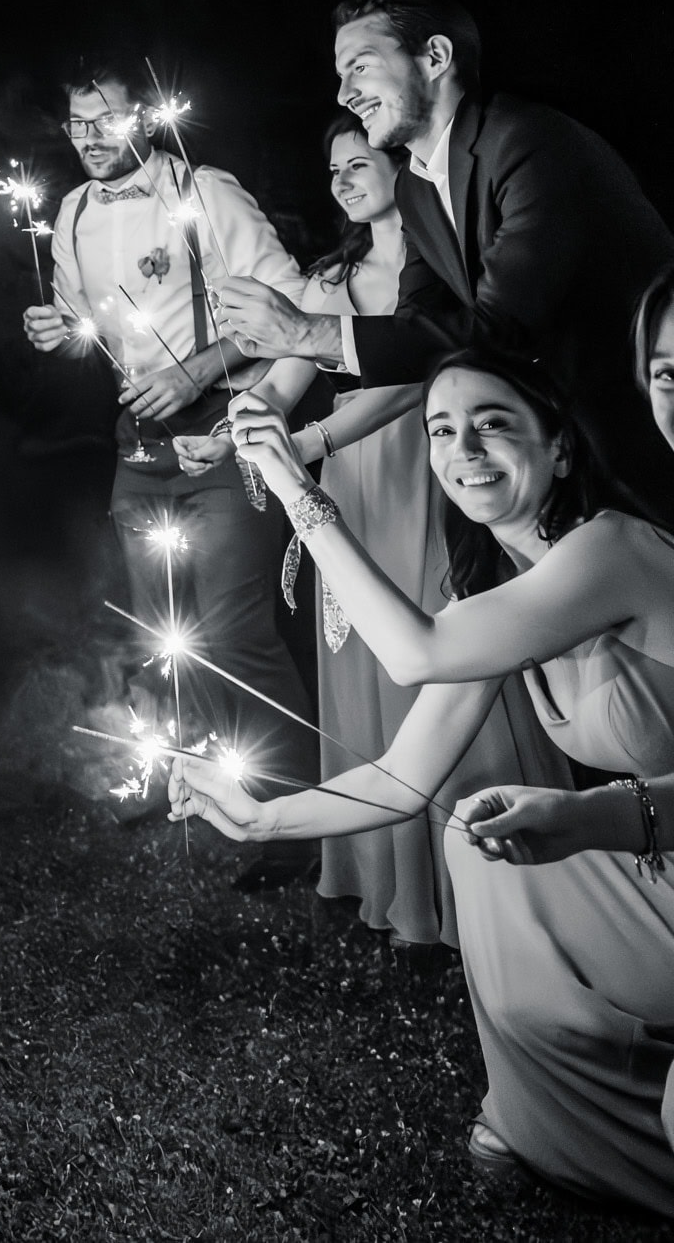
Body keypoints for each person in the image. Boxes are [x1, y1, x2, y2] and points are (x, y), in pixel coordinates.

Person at [175, 350, 674, 1215]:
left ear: (560, 447)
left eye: (493, 423)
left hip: (658, 838)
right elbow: (403, 778)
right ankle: (561, 1112)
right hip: (658, 843)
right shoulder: (506, 590)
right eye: (441, 429)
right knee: (475, 832)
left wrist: (296, 487)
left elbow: (414, 652)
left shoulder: (612, 549)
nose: (463, 449)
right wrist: (260, 820)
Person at [175, 121, 569, 946]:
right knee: (366, 658)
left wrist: (309, 441)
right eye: (333, 171)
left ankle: (487, 877)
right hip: (353, 485)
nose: (344, 180)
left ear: (403, 169)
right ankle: (393, 884)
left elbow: (416, 379)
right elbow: (286, 376)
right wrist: (239, 424)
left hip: (430, 472)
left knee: (441, 650)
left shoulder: (447, 277)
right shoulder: (330, 279)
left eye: (360, 162)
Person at [22, 53, 316, 887]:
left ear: (143, 118)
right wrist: (58, 332)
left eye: (106, 120)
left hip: (222, 432)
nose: (89, 138)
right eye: (77, 123)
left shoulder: (204, 191)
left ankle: (295, 820)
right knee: (161, 634)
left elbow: (291, 305)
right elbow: (85, 322)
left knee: (232, 632)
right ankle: (185, 779)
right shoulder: (73, 211)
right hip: (139, 445)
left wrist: (195, 372)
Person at [216, 0, 674, 504]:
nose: (344, 95)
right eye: (341, 76)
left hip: (642, 429)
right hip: (553, 454)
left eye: (360, 67)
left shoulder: (529, 142)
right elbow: (421, 322)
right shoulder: (416, 187)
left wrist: (306, 331)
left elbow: (502, 328)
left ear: (435, 57)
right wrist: (292, 343)